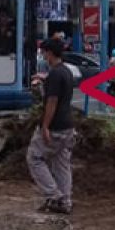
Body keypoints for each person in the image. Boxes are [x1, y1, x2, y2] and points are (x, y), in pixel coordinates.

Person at [27, 38, 76, 215]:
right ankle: (66, 200)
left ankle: (54, 196)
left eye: (44, 52)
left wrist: (45, 126)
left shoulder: (55, 75)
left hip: (54, 126)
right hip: (68, 126)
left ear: (49, 53)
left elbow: (52, 101)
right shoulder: (65, 72)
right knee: (61, 163)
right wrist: (45, 80)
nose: (43, 56)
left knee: (34, 158)